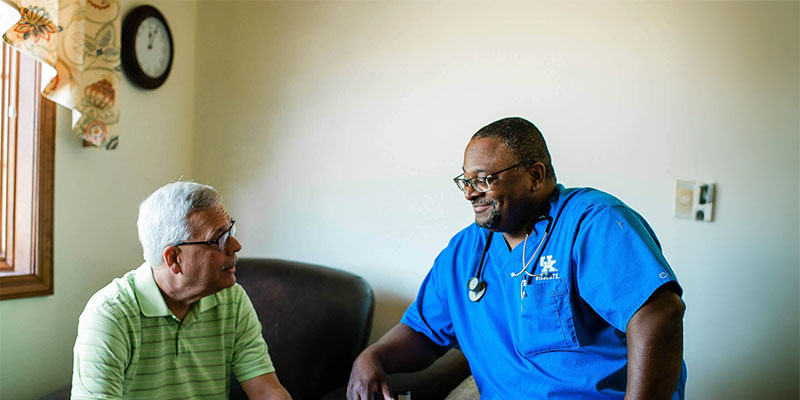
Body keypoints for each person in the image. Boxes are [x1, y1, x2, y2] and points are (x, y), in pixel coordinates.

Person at [347, 117, 686, 399]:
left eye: (484, 180)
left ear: (535, 176)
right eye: (466, 180)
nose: (469, 193)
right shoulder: (465, 251)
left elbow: (659, 315)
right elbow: (423, 332)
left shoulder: (591, 222)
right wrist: (372, 355)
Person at [71, 181, 291, 400]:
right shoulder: (110, 315)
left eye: (230, 231)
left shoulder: (232, 300)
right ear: (174, 258)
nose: (235, 246)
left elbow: (266, 391)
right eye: (220, 239)